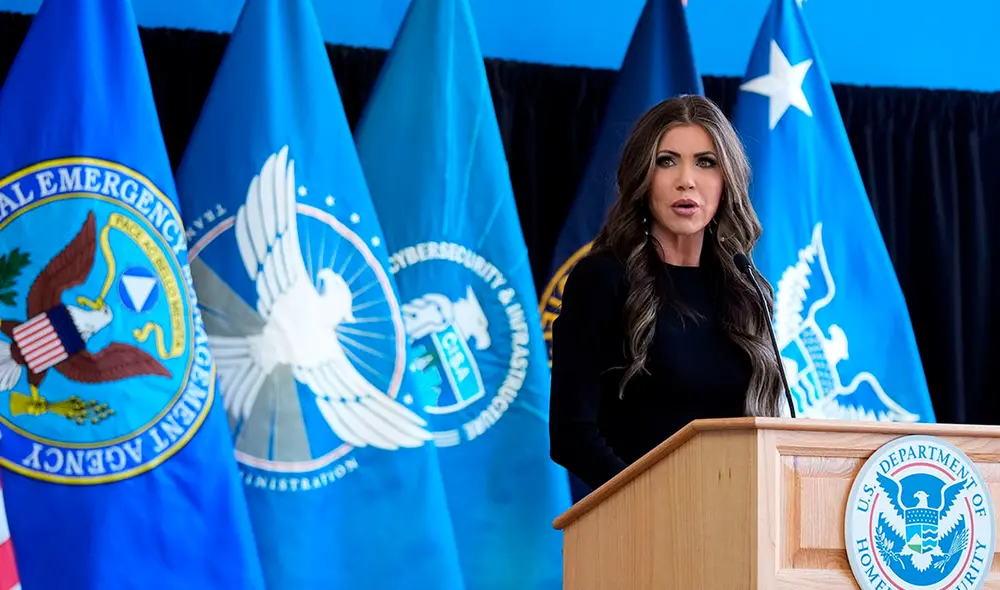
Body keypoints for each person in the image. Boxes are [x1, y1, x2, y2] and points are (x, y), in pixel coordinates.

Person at [548, 94, 786, 493]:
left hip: (736, 522)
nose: (686, 180)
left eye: (705, 162)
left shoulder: (746, 289)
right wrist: (655, 501)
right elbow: (572, 434)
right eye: (667, 160)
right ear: (643, 177)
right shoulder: (602, 278)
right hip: (638, 525)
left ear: (727, 180)